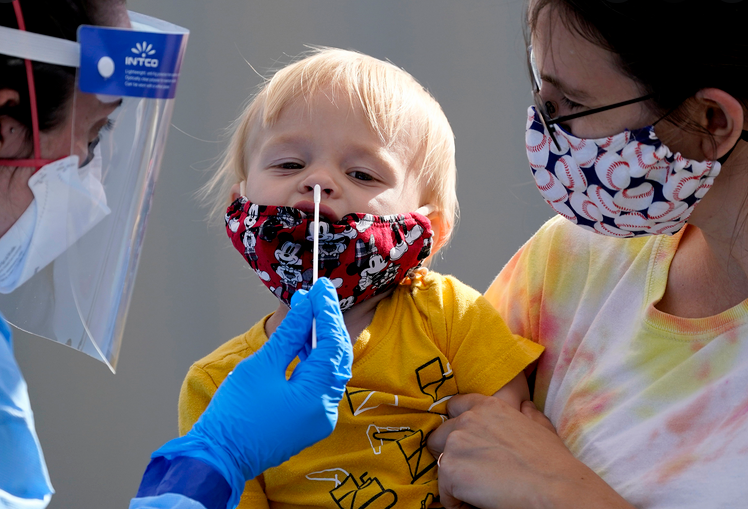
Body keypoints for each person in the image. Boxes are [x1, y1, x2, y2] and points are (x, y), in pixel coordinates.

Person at [0, 2, 353, 509]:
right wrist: (217, 459)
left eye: (362, 174)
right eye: (94, 136)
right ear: (5, 123)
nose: (93, 180)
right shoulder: (211, 381)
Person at [179, 47, 545, 508]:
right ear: (240, 202)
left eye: (362, 173)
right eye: (289, 164)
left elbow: (511, 447)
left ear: (429, 229)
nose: (318, 182)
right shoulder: (218, 386)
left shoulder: (452, 317)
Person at [427, 1, 748, 508]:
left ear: (712, 121)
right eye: (542, 97)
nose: (544, 130)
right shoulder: (572, 258)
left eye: (570, 105)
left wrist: (559, 491)